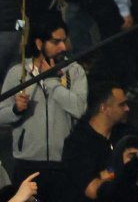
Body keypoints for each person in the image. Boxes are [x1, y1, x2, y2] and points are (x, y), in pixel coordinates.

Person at [0, 18, 87, 170]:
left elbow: (79, 108)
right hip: (27, 160)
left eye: (64, 41)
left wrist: (52, 81)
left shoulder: (74, 71)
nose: (62, 47)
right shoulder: (18, 73)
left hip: (65, 159)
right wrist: (15, 110)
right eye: (55, 42)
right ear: (40, 44)